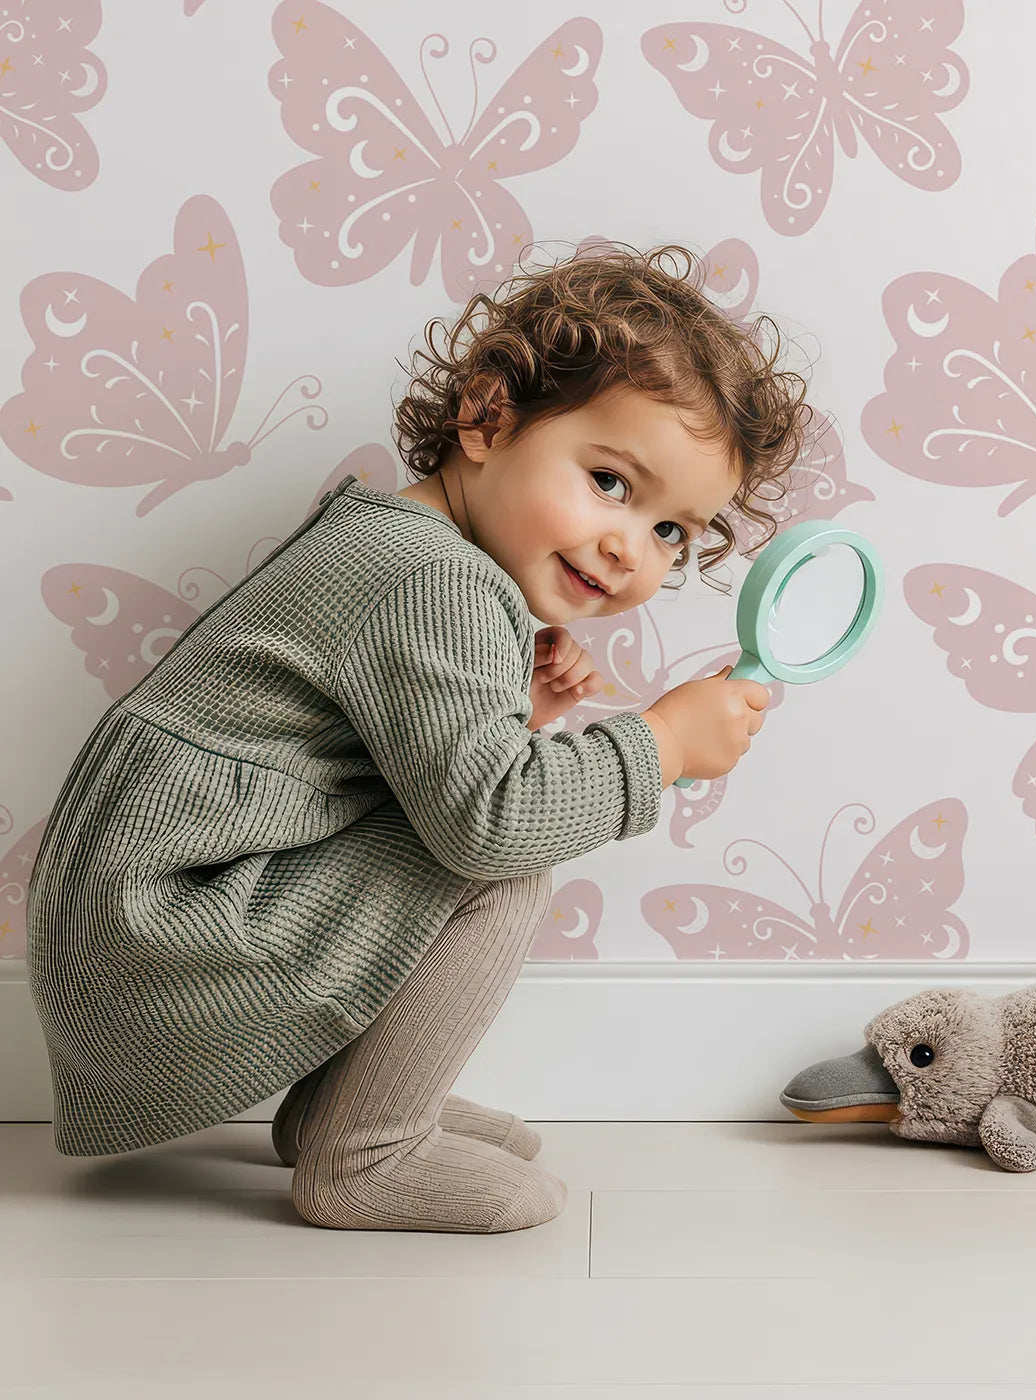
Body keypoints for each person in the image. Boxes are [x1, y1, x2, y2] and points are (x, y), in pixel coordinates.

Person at [23, 243, 813, 1233]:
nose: (629, 547)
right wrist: (658, 745)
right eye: (611, 481)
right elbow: (488, 823)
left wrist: (518, 715)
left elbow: (351, 768)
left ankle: (338, 1106)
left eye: (671, 533)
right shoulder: (441, 580)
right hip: (158, 947)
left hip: (125, 937)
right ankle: (366, 1150)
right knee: (505, 863)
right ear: (487, 418)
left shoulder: (390, 538)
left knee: (479, 829)